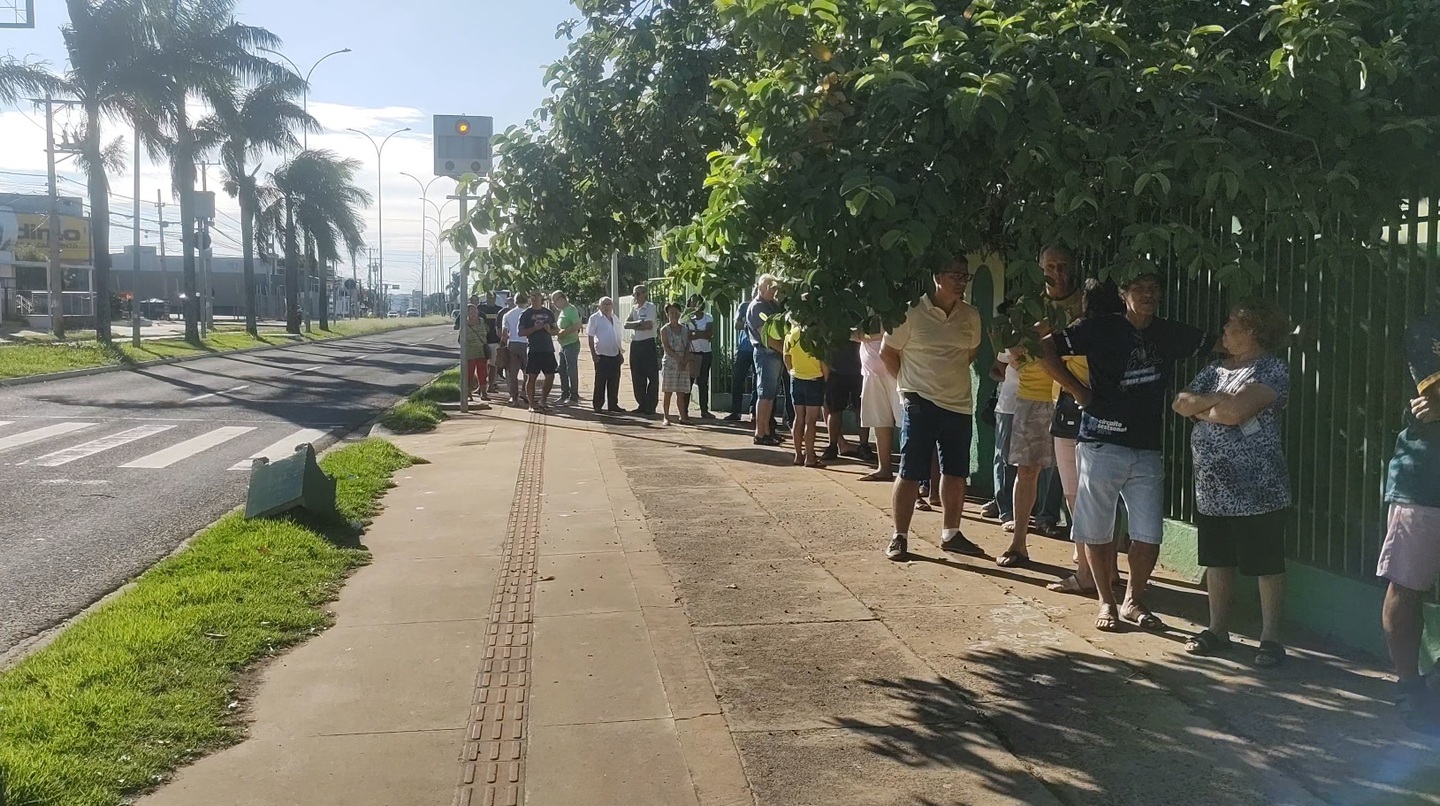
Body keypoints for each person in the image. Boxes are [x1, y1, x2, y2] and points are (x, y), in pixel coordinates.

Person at [1041, 272, 1215, 632]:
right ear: (1123, 294)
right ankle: (1106, 601)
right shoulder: (1099, 328)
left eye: (1154, 288)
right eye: (1139, 288)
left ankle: (1134, 600)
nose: (1148, 295)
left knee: (1149, 533)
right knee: (1098, 529)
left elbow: (1223, 344)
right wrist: (1077, 391)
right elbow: (1044, 347)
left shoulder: (1170, 332)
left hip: (1147, 447)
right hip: (1101, 443)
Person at [1173, 299, 1294, 668]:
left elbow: (1235, 412)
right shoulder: (1214, 369)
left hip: (1258, 488)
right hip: (1213, 489)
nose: (1223, 331)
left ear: (1253, 332)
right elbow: (1180, 402)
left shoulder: (1272, 368)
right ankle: (1217, 630)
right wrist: (1218, 403)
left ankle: (1270, 639)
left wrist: (1209, 408)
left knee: (1265, 563)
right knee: (1218, 560)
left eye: (1231, 325)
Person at [883, 255, 985, 561]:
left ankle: (951, 534)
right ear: (937, 277)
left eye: (964, 276)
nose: (960, 281)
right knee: (910, 471)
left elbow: (970, 354)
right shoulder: (912, 312)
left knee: (955, 473)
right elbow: (889, 354)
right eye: (955, 275)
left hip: (958, 406)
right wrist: (909, 386)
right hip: (919, 402)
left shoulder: (971, 316)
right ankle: (899, 537)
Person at [1376, 308, 1440, 729]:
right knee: (1408, 583)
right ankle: (1409, 685)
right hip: (1424, 478)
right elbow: (1433, 400)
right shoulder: (1426, 327)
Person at [1046, 279, 1124, 596]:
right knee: (1109, 498)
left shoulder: (1080, 332)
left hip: (1074, 416)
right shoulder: (1128, 333)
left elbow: (1044, 352)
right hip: (1115, 419)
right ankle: (1111, 569)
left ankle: (1085, 572)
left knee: (1078, 497)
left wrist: (1077, 389)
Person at [859, 324, 903, 483]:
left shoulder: (892, 309)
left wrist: (864, 335)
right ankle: (884, 468)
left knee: (904, 422)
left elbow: (889, 332)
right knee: (880, 422)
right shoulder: (863, 312)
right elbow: (853, 334)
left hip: (895, 371)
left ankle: (909, 474)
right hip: (871, 374)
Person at [984, 347, 1022, 520]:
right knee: (1003, 458)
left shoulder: (1052, 338)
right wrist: (1009, 379)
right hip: (1008, 405)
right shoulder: (1013, 340)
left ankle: (1039, 514)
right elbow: (995, 370)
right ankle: (1004, 509)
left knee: (1033, 464)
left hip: (1038, 405)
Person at [784, 317, 827, 467]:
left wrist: (791, 371)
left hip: (796, 379)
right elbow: (824, 362)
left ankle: (798, 455)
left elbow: (786, 356)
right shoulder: (817, 337)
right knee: (811, 421)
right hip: (814, 379)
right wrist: (826, 380)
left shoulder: (791, 334)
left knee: (798, 418)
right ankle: (810, 456)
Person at [748, 276, 785, 446]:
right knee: (764, 395)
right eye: (770, 287)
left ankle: (768, 431)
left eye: (775, 288)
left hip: (775, 355)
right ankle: (760, 432)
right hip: (766, 353)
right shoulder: (756, 307)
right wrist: (784, 349)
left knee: (771, 395)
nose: (773, 291)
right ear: (761, 287)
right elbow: (766, 337)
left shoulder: (773, 304)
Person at [823, 336, 871, 463]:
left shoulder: (860, 316)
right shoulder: (831, 320)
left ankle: (864, 445)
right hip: (836, 369)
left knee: (861, 410)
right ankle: (832, 445)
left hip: (858, 370)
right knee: (834, 410)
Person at [519, 290, 559, 413]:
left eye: (537, 296)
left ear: (542, 298)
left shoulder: (548, 313)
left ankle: (543, 400)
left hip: (547, 349)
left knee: (550, 375)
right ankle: (531, 404)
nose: (535, 298)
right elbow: (521, 332)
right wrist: (534, 328)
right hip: (534, 349)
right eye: (533, 296)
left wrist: (548, 330)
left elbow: (556, 330)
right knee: (532, 377)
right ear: (530, 298)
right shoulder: (526, 314)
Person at [624, 284, 659, 415]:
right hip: (636, 344)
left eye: (638, 294)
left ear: (645, 294)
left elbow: (648, 325)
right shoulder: (634, 309)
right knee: (637, 376)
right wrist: (639, 323)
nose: (636, 297)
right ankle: (641, 403)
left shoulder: (651, 307)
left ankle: (651, 405)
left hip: (647, 344)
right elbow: (626, 324)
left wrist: (636, 324)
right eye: (634, 294)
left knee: (652, 376)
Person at [588, 296, 625, 413]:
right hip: (601, 355)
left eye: (609, 304)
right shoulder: (595, 318)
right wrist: (593, 354)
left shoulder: (615, 318)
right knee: (600, 382)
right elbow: (590, 336)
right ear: (599, 306)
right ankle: (598, 405)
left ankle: (613, 404)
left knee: (614, 381)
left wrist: (620, 352)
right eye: (604, 304)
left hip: (615, 354)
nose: (607, 306)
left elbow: (618, 337)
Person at [658, 301, 693, 425]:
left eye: (676, 312)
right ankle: (666, 417)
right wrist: (679, 359)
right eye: (671, 312)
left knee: (681, 392)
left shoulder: (684, 329)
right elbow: (666, 347)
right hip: (670, 363)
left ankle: (683, 416)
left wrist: (684, 360)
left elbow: (688, 345)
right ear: (667, 314)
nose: (673, 315)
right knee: (668, 391)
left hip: (683, 363)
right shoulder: (664, 330)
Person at [685, 295, 715, 419]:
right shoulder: (686, 319)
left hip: (706, 352)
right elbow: (687, 336)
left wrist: (695, 333)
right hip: (693, 353)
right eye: (692, 302)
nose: (695, 305)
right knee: (689, 382)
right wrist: (700, 334)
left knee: (703, 381)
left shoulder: (708, 317)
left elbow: (709, 334)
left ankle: (704, 410)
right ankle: (684, 410)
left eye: (697, 302)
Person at [727, 298, 756, 422]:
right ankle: (735, 411)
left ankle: (754, 411)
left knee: (758, 381)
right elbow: (736, 325)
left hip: (758, 348)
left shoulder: (768, 306)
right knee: (737, 379)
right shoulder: (744, 306)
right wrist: (748, 322)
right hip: (744, 348)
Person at [552, 291, 583, 405]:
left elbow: (577, 325)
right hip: (563, 345)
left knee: (571, 370)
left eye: (555, 301)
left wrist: (564, 332)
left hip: (571, 344)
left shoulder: (571, 310)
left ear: (562, 299)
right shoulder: (563, 311)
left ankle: (573, 396)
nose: (554, 304)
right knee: (562, 370)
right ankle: (564, 394)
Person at [458, 302, 491, 405]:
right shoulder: (464, 324)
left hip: (481, 352)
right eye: (471, 311)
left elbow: (487, 332)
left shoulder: (481, 321)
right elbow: (460, 339)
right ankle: (468, 394)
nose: (473, 313)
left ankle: (483, 392)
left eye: (475, 311)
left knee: (483, 372)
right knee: (469, 374)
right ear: (466, 313)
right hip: (469, 353)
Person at [501, 297, 529, 407]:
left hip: (512, 343)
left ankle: (514, 397)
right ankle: (524, 390)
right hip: (526, 343)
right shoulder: (528, 313)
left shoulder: (507, 315)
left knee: (512, 373)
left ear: (515, 301)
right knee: (528, 371)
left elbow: (504, 333)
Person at [479, 291, 503, 394]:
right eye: (488, 297)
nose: (490, 299)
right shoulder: (480, 309)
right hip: (482, 341)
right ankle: (481, 386)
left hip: (495, 341)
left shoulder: (499, 310)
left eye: (492, 297)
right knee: (482, 365)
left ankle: (491, 385)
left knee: (493, 365)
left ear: (495, 298)